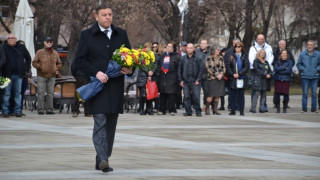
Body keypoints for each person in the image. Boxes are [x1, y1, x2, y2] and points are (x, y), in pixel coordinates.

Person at [73, 4, 132, 172]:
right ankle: (104, 159)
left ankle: (102, 157)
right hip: (97, 87)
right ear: (96, 16)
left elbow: (129, 58)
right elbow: (80, 61)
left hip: (115, 87)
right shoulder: (87, 35)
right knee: (100, 121)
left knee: (111, 124)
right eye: (104, 14)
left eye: (110, 14)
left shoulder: (121, 34)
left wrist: (130, 68)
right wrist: (96, 72)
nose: (108, 17)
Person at [2, 34, 31, 118]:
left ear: (16, 39)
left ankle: (18, 111)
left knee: (18, 94)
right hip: (6, 75)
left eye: (12, 38)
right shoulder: (4, 47)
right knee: (6, 94)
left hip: (19, 74)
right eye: (8, 38)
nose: (10, 40)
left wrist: (26, 69)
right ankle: (5, 111)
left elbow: (28, 58)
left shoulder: (21, 47)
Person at [32, 37, 62, 115]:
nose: (49, 43)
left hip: (52, 76)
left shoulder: (55, 53)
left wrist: (56, 68)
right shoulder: (39, 52)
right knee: (41, 93)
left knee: (50, 93)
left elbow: (59, 63)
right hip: (42, 75)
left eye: (51, 41)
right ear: (44, 42)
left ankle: (49, 109)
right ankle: (40, 109)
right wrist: (40, 67)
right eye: (47, 41)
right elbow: (34, 62)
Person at [248, 34, 274, 112]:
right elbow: (251, 60)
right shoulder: (253, 48)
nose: (260, 40)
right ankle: (253, 107)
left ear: (264, 39)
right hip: (256, 73)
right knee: (255, 91)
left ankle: (263, 107)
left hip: (265, 72)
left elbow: (271, 58)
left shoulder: (268, 47)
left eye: (262, 39)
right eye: (259, 39)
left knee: (264, 92)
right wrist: (262, 71)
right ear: (256, 39)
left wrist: (267, 71)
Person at [178, 43, 203, 117]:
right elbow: (179, 70)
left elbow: (201, 70)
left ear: (193, 49)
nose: (189, 49)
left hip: (195, 80)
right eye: (188, 48)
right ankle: (188, 111)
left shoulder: (197, 58)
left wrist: (198, 79)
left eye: (191, 48)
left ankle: (198, 111)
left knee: (196, 96)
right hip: (185, 81)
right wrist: (180, 80)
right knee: (186, 97)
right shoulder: (182, 58)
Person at [226, 42, 249, 116]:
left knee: (241, 95)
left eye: (239, 47)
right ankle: (233, 110)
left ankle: (241, 110)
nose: (237, 48)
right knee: (233, 95)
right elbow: (228, 66)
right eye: (236, 47)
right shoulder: (231, 56)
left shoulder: (245, 56)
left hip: (241, 78)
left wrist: (240, 73)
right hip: (233, 78)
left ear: (242, 47)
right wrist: (233, 74)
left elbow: (246, 67)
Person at [296, 40, 320, 113]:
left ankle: (314, 109)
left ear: (314, 46)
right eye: (308, 44)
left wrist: (317, 69)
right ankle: (304, 108)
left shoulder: (318, 54)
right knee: (305, 93)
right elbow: (298, 64)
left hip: (314, 77)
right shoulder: (302, 54)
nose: (309, 46)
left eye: (311, 45)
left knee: (314, 93)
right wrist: (303, 69)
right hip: (305, 77)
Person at [157, 42, 180, 116]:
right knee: (163, 93)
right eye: (167, 46)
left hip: (172, 76)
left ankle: (171, 109)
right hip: (163, 76)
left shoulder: (177, 56)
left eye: (170, 47)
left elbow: (179, 68)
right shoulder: (163, 55)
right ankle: (162, 109)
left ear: (173, 48)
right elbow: (159, 65)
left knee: (171, 94)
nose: (168, 48)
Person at [272, 40, 295, 109]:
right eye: (282, 44)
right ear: (279, 45)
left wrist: (287, 68)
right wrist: (284, 68)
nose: (283, 45)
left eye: (284, 44)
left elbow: (292, 62)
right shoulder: (275, 53)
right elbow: (274, 63)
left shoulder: (289, 53)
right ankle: (276, 104)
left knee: (286, 92)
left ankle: (285, 104)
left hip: (286, 77)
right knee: (277, 91)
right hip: (277, 76)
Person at [136, 42, 156, 115]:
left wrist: (152, 71)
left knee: (149, 94)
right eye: (147, 47)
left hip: (150, 78)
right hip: (142, 77)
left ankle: (148, 109)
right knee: (142, 95)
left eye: (149, 48)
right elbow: (142, 65)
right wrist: (148, 72)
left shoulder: (152, 55)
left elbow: (155, 64)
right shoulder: (141, 55)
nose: (148, 49)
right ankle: (141, 108)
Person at [205, 46, 226, 115]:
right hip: (212, 79)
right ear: (213, 50)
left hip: (220, 79)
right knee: (211, 95)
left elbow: (223, 67)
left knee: (218, 95)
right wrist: (217, 75)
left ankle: (215, 109)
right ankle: (207, 109)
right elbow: (209, 69)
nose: (219, 51)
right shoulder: (209, 58)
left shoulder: (221, 58)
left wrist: (222, 74)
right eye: (217, 49)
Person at [222, 38, 240, 111]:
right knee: (231, 91)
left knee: (239, 91)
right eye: (234, 44)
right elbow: (226, 64)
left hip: (239, 75)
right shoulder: (228, 52)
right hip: (231, 75)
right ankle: (231, 105)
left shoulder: (242, 52)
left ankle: (238, 105)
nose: (236, 45)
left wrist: (240, 72)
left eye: (237, 44)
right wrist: (231, 73)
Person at [195, 39, 210, 111]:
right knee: (196, 92)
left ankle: (205, 105)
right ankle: (197, 106)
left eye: (204, 43)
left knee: (206, 91)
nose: (202, 45)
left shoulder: (209, 52)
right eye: (201, 43)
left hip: (206, 74)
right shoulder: (197, 52)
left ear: (207, 45)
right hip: (198, 75)